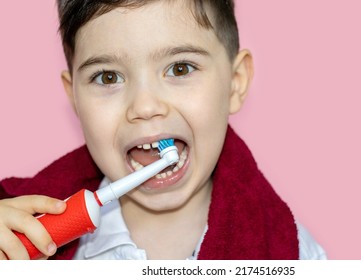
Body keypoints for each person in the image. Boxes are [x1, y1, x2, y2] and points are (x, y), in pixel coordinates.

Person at [0, 0, 326, 260]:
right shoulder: (26, 242)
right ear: (75, 98)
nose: (144, 106)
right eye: (108, 77)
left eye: (180, 68)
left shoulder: (295, 256)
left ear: (235, 83)